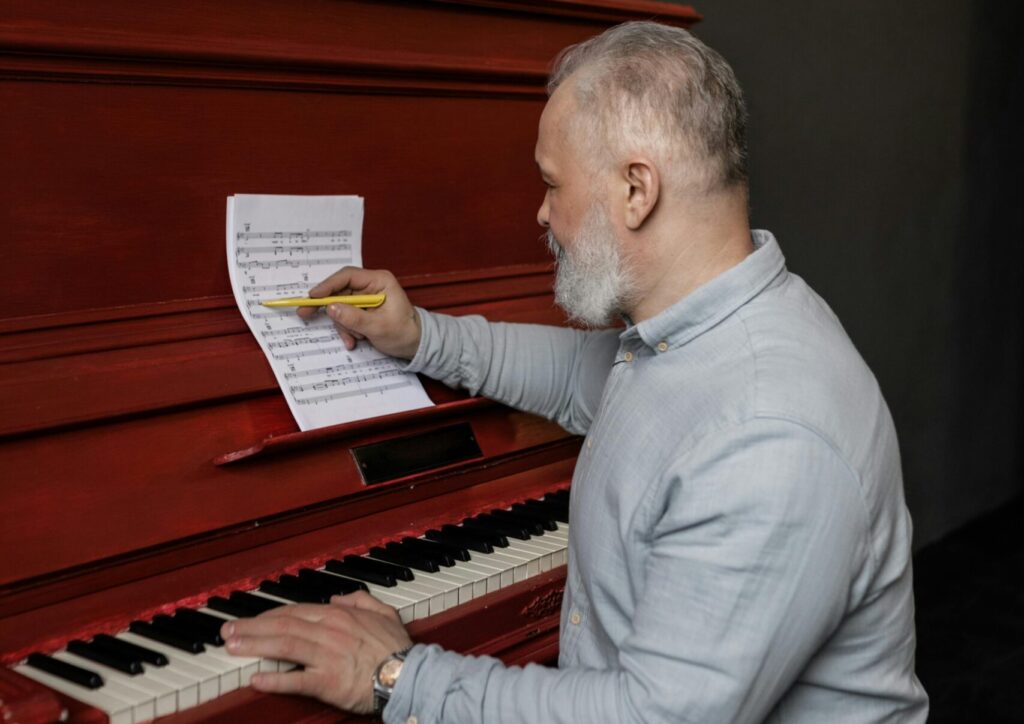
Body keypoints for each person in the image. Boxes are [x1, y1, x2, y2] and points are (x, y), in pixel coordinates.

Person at [220, 21, 929, 723]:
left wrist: (394, 676)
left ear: (635, 190)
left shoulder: (769, 434)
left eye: (552, 184)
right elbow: (575, 377)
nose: (542, 213)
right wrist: (418, 337)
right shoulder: (698, 334)